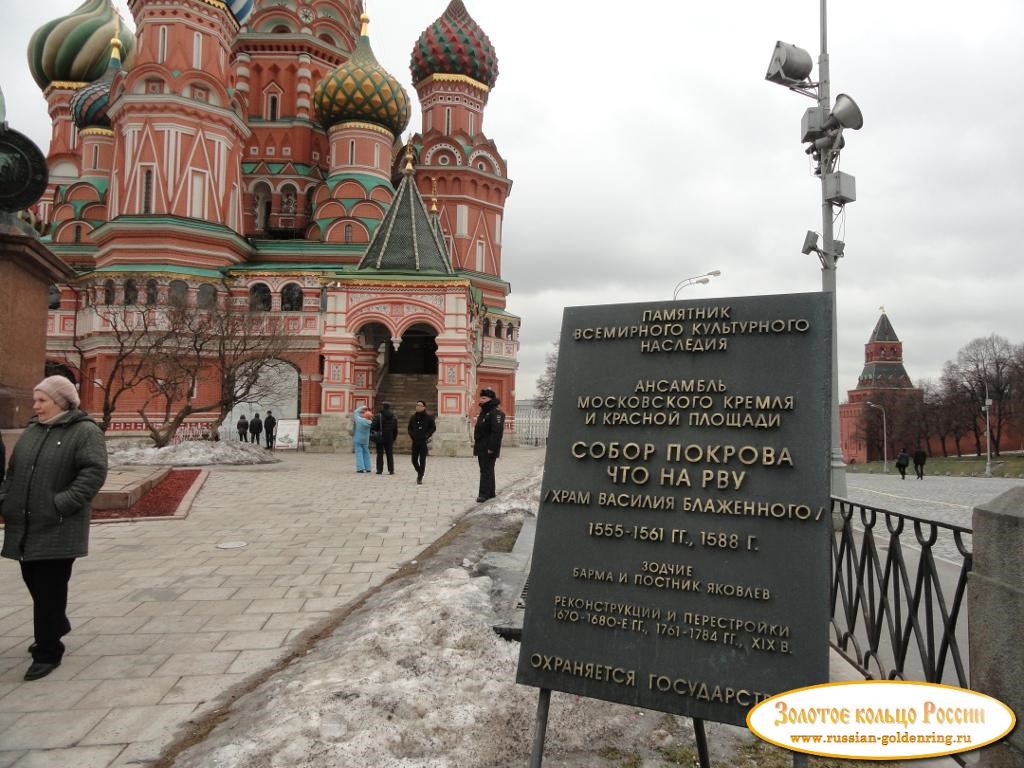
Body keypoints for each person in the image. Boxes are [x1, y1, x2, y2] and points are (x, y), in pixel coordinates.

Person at [0, 376, 108, 681]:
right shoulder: (33, 430)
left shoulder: (84, 431)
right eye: (35, 400)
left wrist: (63, 503)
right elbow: (13, 470)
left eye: (41, 400)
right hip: (26, 523)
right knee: (33, 579)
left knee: (49, 589)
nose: (35, 406)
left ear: (61, 401)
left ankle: (48, 651)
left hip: (59, 525)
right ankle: (55, 624)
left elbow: (94, 471)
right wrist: (5, 499)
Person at [473, 388, 505, 503]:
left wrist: (492, 448)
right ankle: (490, 493)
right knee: (487, 470)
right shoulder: (485, 411)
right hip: (482, 446)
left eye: (484, 398)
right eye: (481, 397)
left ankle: (483, 494)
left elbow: (496, 432)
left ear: (491, 399)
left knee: (486, 470)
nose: (481, 400)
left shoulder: (496, 413)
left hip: (488, 447)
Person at [407, 400, 436, 485]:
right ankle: (420, 472)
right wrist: (412, 435)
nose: (418, 407)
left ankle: (420, 477)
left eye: (420, 405)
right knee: (414, 460)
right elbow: (409, 428)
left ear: (424, 407)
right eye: (417, 405)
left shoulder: (428, 417)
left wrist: (427, 435)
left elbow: (433, 427)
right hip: (415, 442)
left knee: (422, 460)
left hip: (423, 442)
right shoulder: (413, 417)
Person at [372, 402, 399, 475]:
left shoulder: (379, 416)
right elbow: (395, 429)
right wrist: (394, 437)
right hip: (390, 437)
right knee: (389, 454)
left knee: (380, 454)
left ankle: (379, 470)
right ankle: (391, 470)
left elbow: (373, 426)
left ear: (383, 407)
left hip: (380, 436)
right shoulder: (394, 417)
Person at [352, 406, 373, 473]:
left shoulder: (360, 420)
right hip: (365, 440)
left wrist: (362, 408)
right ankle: (368, 467)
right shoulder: (370, 423)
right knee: (366, 453)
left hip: (358, 439)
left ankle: (360, 468)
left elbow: (355, 412)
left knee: (359, 453)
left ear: (365, 416)